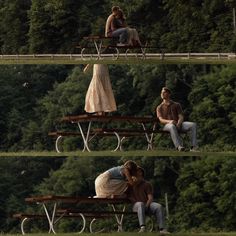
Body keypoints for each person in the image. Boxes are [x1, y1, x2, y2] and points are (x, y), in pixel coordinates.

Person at [127, 167, 170, 234]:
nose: (137, 173)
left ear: (142, 174)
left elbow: (150, 198)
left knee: (159, 206)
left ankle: (162, 229)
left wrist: (146, 206)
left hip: (147, 204)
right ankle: (143, 228)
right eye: (135, 172)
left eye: (139, 172)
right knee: (140, 204)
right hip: (136, 206)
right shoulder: (130, 184)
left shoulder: (147, 184)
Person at [156, 87, 198, 151]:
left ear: (169, 94)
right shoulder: (159, 107)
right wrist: (170, 121)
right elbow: (161, 120)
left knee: (193, 125)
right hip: (167, 126)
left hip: (178, 124)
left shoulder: (176, 104)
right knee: (172, 126)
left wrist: (179, 123)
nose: (162, 94)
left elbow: (181, 116)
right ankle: (179, 146)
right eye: (161, 93)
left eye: (164, 92)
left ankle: (193, 147)